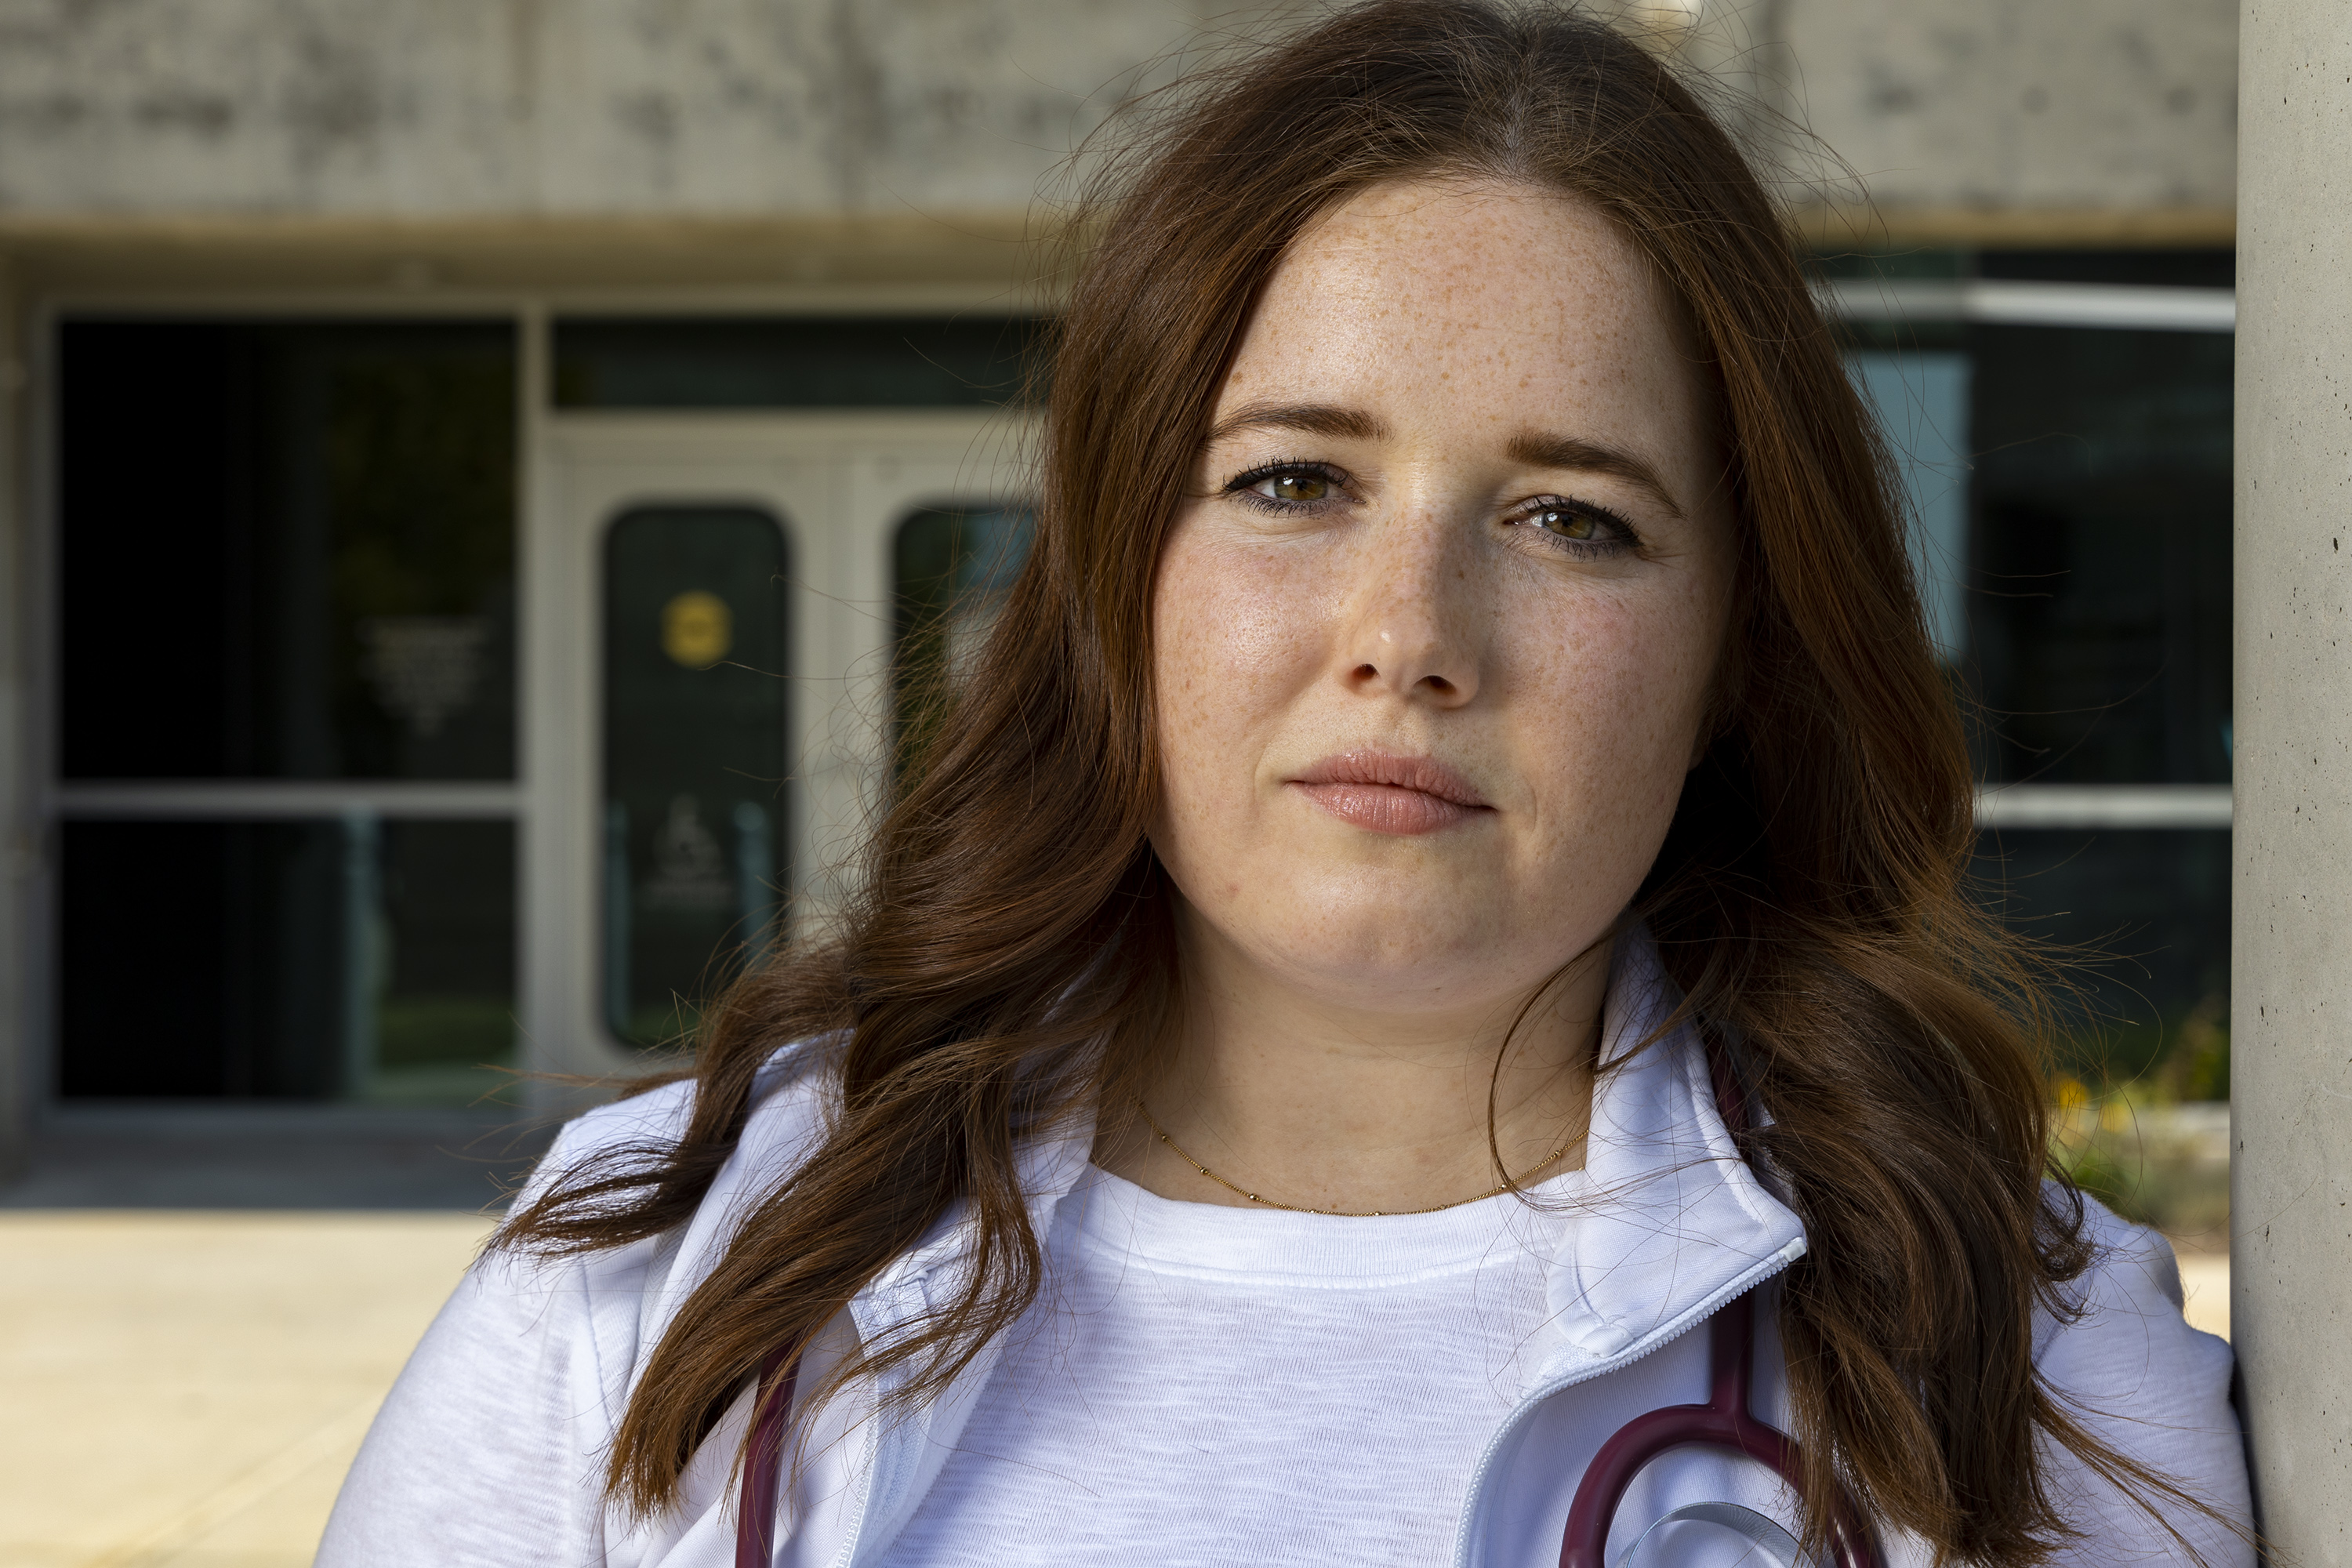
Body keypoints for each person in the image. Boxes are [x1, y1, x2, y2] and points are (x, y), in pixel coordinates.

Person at [318, 3, 2251, 1564]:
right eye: (1293, 482)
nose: (1409, 629)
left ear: (1736, 649)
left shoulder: (2023, 1364)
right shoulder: (660, 1281)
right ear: (1115, 582)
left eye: (1574, 515)